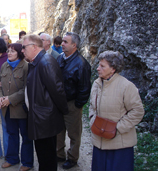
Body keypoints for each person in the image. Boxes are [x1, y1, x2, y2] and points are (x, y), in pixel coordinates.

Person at [89, 51, 144, 171]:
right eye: (99, 65)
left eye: (102, 66)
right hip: (99, 141)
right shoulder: (97, 83)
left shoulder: (126, 86)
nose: (98, 68)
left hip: (119, 146)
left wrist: (117, 129)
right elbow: (92, 105)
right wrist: (92, 118)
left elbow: (137, 111)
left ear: (113, 69)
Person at [21, 34, 68, 171]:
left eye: (24, 47)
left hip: (45, 120)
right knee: (43, 156)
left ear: (34, 47)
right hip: (39, 118)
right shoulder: (36, 62)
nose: (22, 50)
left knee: (47, 158)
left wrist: (63, 111)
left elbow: (58, 91)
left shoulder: (46, 62)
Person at [56, 32, 92, 169]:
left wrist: (78, 105)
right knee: (59, 130)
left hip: (72, 104)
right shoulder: (60, 59)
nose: (62, 44)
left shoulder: (81, 64)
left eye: (65, 42)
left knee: (74, 133)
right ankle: (59, 154)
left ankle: (72, 158)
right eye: (63, 41)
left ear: (74, 45)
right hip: (59, 102)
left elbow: (85, 87)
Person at [0, 43, 34, 171]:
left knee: (26, 136)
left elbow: (26, 89)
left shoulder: (25, 66)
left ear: (19, 53)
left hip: (21, 109)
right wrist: (0, 97)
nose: (9, 53)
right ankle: (12, 159)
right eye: (8, 51)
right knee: (12, 134)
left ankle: (27, 162)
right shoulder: (4, 65)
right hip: (8, 110)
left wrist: (10, 99)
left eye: (12, 51)